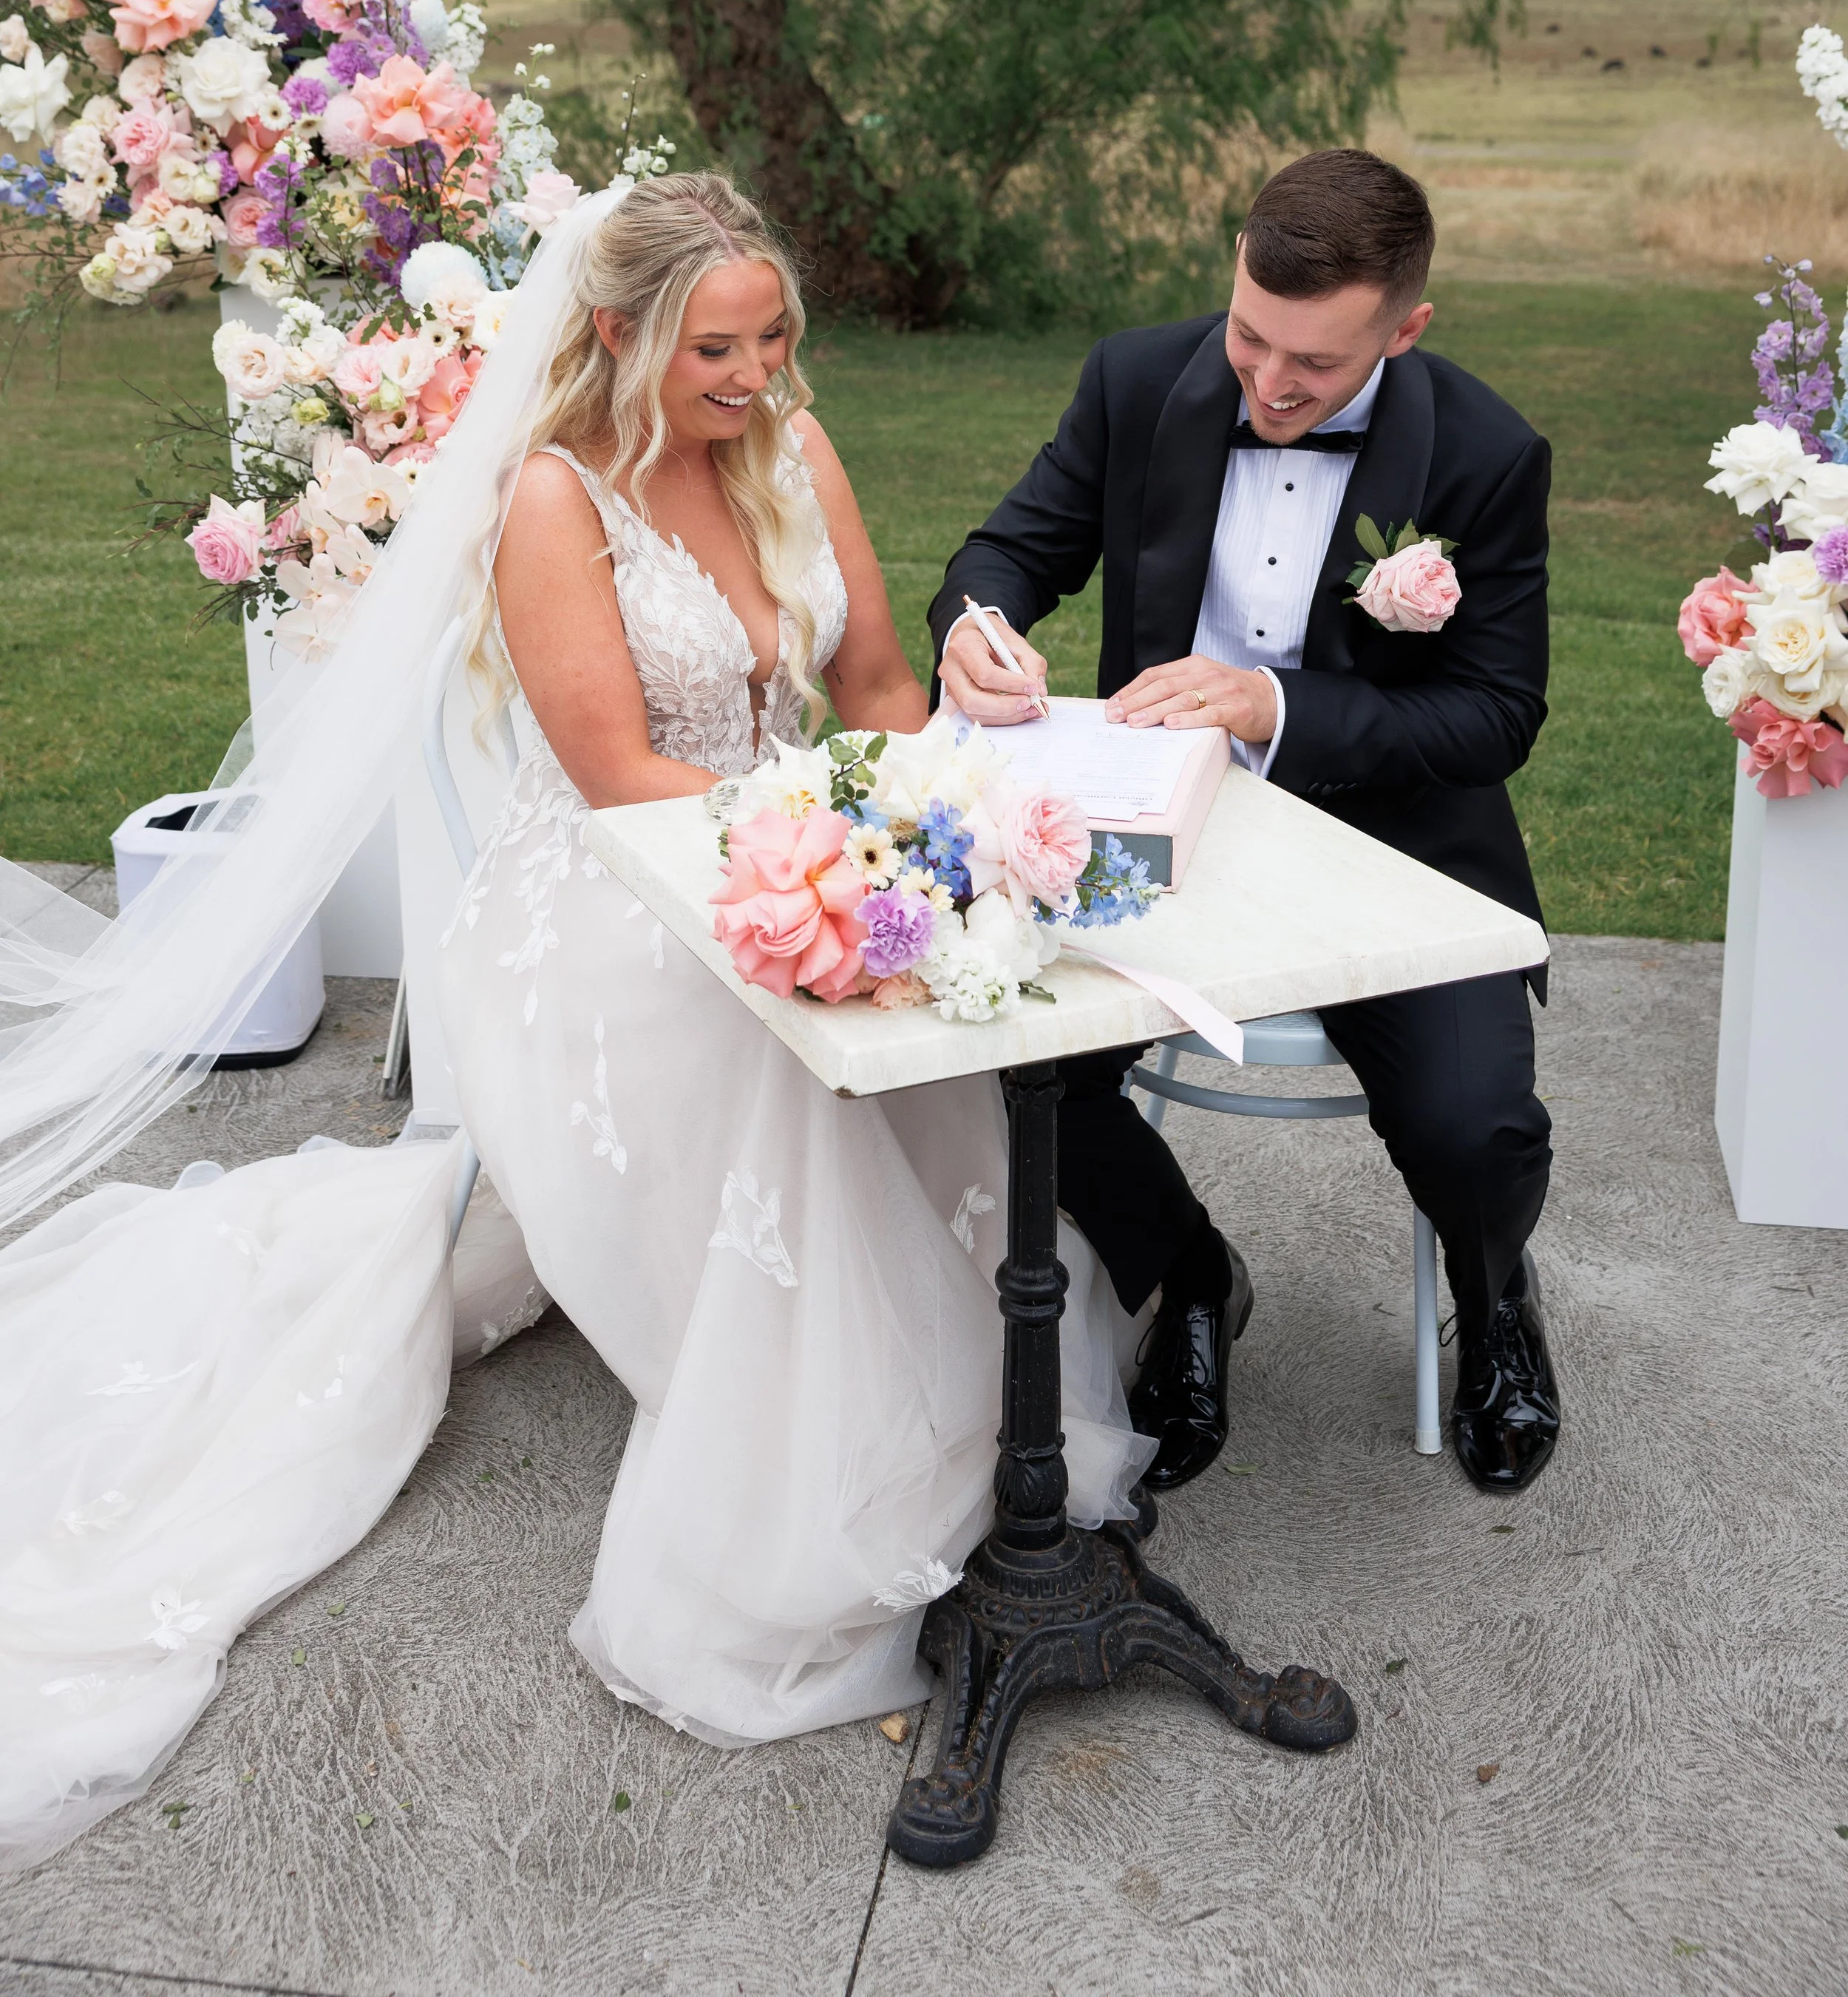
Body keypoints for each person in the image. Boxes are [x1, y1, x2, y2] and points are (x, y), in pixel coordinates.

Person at [0, 172, 1150, 1871]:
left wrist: (946, 796)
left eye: (773, 339)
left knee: (937, 1055)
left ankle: (981, 1408)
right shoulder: (555, 501)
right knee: (788, 1087)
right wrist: (828, 859)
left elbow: (876, 691)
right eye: (714, 349)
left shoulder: (791, 450)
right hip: (608, 917)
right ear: (615, 336)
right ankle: (806, 1490)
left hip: (798, 868)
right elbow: (617, 777)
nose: (754, 377)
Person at [932, 146, 1560, 1498]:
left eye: (1315, 367)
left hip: (1392, 846)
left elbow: (1497, 715)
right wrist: (976, 628)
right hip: (1151, 844)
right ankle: (1194, 1272)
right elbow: (1008, 552)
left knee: (1473, 1123)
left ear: (1407, 328)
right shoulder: (1137, 377)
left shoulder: (1489, 452)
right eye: (1250, 335)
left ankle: (1495, 1291)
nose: (1270, 385)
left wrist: (1275, 706)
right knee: (1001, 1060)